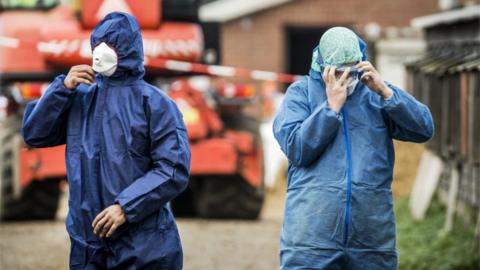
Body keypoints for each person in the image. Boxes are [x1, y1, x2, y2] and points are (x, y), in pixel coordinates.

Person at [22, 12, 190, 269]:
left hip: (144, 248)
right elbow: (34, 134)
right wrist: (61, 90)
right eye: (98, 43)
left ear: (129, 48)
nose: (101, 51)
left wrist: (126, 207)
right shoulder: (79, 97)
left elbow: (173, 169)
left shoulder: (156, 104)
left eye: (112, 43)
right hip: (87, 248)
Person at [273, 27, 434, 269]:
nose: (344, 78)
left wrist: (387, 93)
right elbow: (297, 149)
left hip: (370, 240)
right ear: (321, 65)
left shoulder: (375, 95)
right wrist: (330, 108)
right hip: (311, 240)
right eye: (337, 71)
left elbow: (424, 129)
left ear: (361, 64)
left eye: (350, 70)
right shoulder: (301, 93)